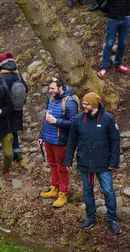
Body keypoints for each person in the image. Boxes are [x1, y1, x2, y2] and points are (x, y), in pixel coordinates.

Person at [64, 92, 122, 234]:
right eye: (83, 103)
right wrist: (68, 159)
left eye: (86, 104)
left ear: (94, 105)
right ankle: (90, 218)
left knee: (108, 191)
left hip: (103, 163)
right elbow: (72, 141)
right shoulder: (79, 119)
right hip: (85, 162)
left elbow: (115, 141)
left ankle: (112, 220)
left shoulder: (107, 119)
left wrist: (113, 162)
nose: (83, 106)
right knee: (87, 191)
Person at [38, 77, 79, 208]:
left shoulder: (70, 102)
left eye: (52, 88)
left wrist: (57, 122)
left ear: (60, 87)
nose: (50, 91)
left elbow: (73, 123)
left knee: (62, 168)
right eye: (49, 88)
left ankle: (63, 193)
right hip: (49, 139)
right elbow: (46, 119)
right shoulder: (51, 99)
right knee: (52, 164)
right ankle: (54, 188)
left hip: (61, 140)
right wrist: (41, 135)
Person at [0, 51, 28, 162]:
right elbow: (26, 88)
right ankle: (16, 152)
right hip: (18, 107)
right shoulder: (17, 74)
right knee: (14, 130)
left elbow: (3, 92)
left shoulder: (1, 76)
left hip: (5, 108)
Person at [96, 0, 130, 78]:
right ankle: (104, 68)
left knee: (123, 43)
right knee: (109, 44)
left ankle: (118, 65)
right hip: (113, 19)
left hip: (126, 18)